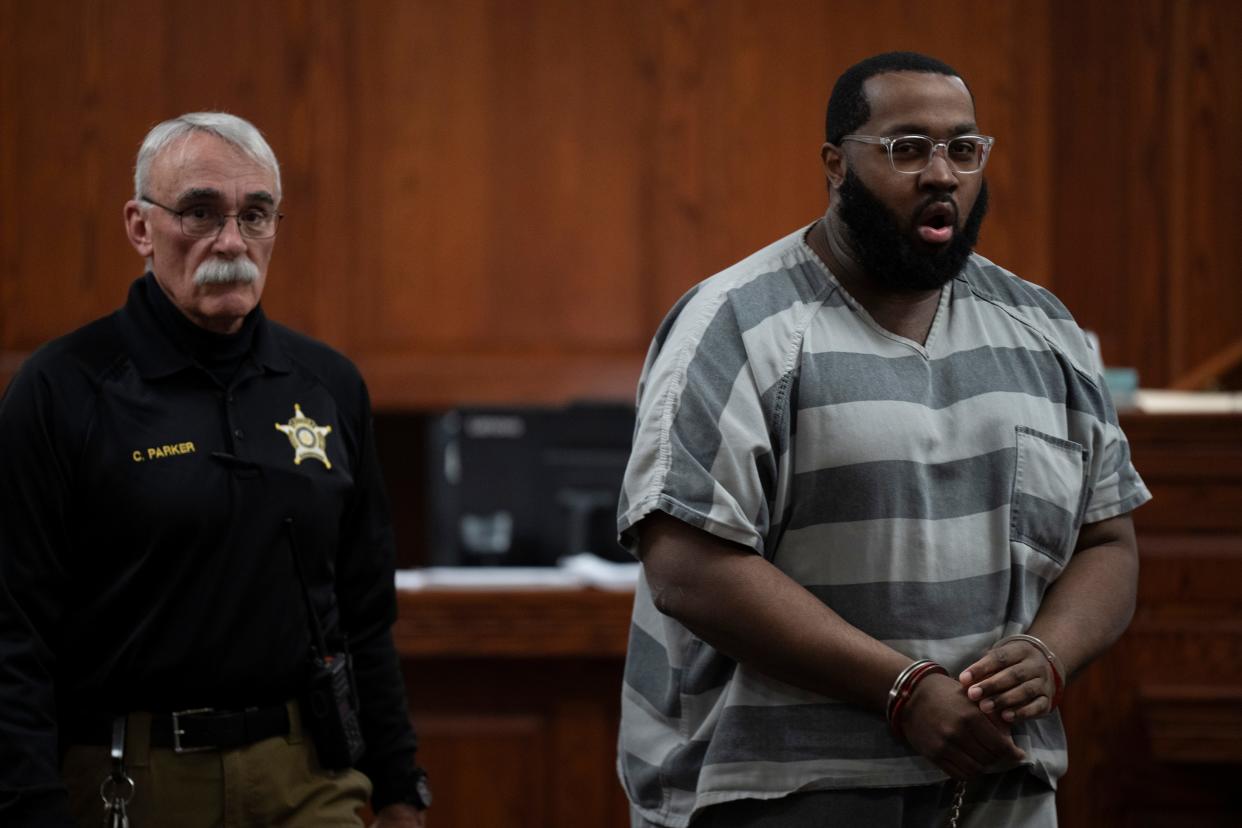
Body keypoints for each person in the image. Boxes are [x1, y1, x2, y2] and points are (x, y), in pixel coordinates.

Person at [616, 52, 1150, 827]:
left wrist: (1048, 655)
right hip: (774, 791)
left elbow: (1108, 544)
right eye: (907, 149)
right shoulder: (735, 324)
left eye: (963, 149)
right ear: (836, 165)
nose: (942, 174)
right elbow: (688, 569)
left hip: (999, 788)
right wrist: (901, 691)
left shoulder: (1044, 327)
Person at [0, 112, 431, 827]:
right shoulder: (62, 389)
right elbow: (12, 630)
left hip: (309, 776)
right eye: (200, 212)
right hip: (131, 780)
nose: (232, 242)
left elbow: (363, 611)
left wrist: (397, 784)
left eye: (255, 215)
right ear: (140, 227)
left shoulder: (327, 384)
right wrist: (29, 806)